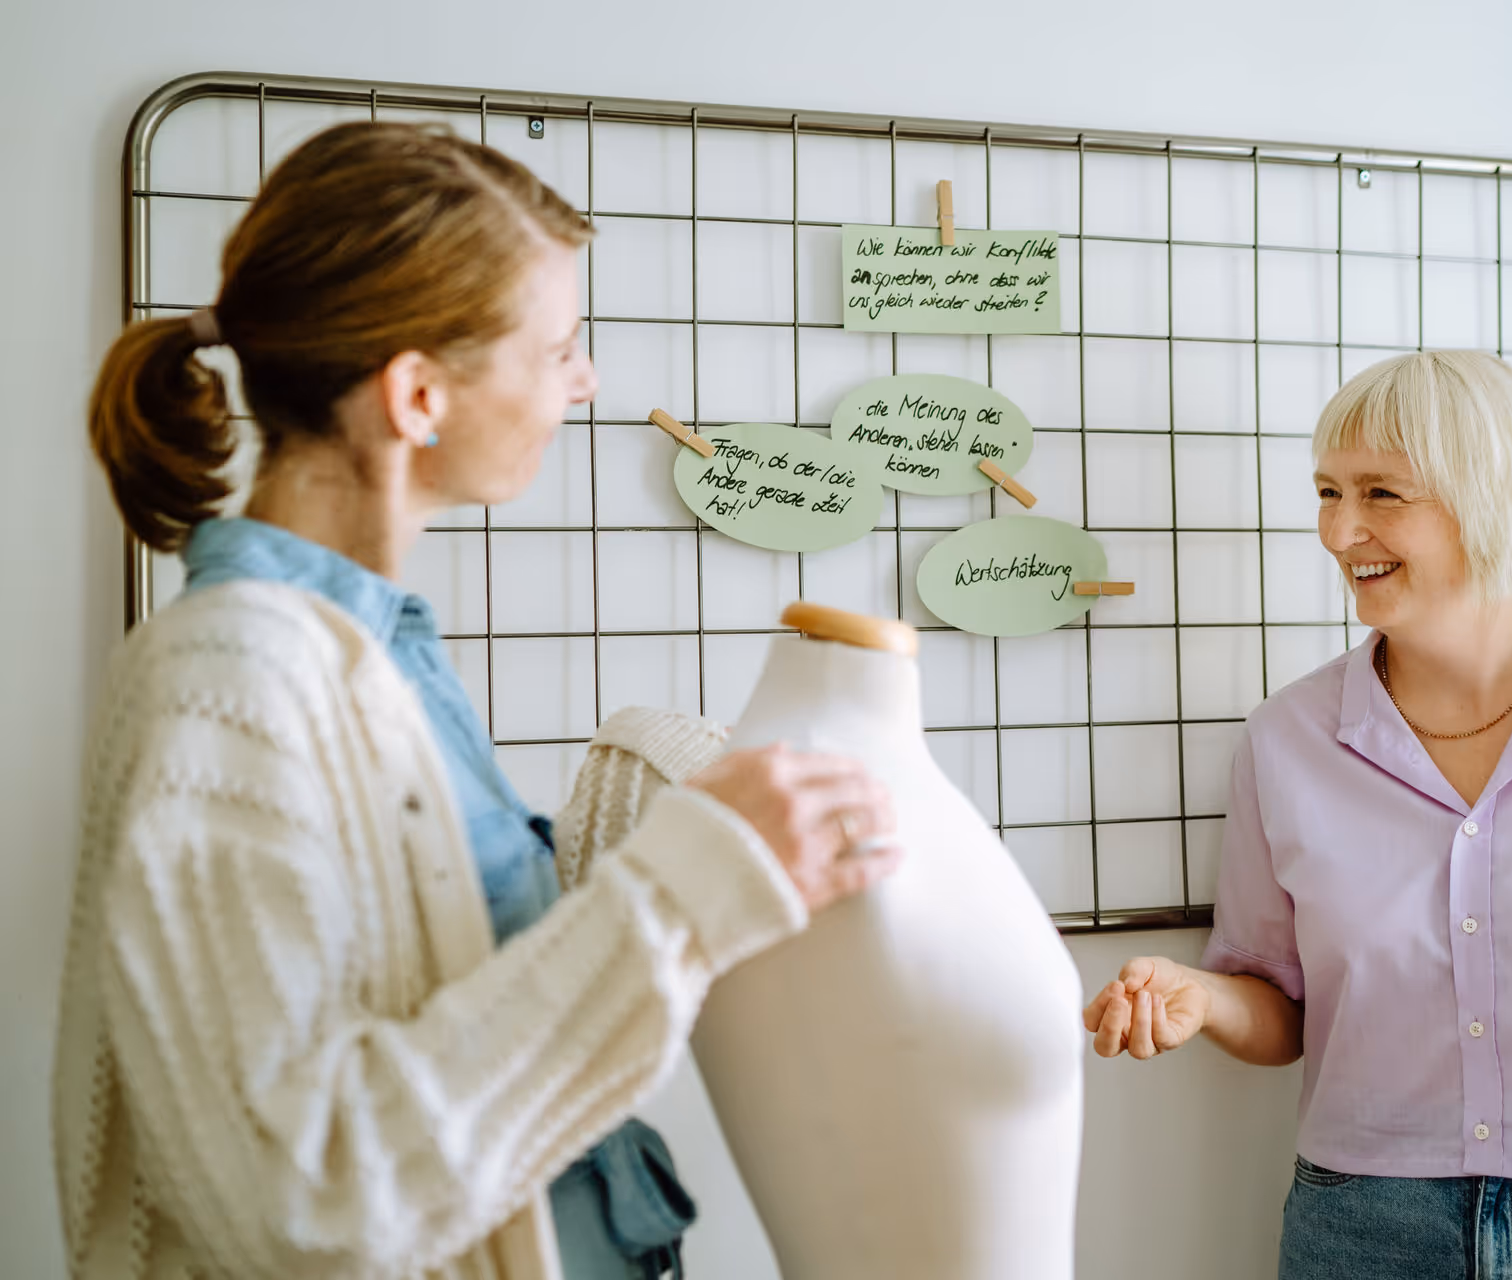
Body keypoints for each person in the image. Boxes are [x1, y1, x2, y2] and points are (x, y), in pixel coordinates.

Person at [54, 122, 901, 1280]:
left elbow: (430, 974)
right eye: (558, 349)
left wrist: (655, 827)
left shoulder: (372, 652)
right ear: (416, 395)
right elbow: (311, 1194)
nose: (585, 380)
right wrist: (687, 888)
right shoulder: (229, 685)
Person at [1082, 351, 1512, 1280]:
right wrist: (1202, 1002)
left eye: (1382, 493)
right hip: (1359, 1223)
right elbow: (1280, 1010)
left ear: (1491, 495)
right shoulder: (1287, 738)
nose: (1339, 530)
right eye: (1327, 491)